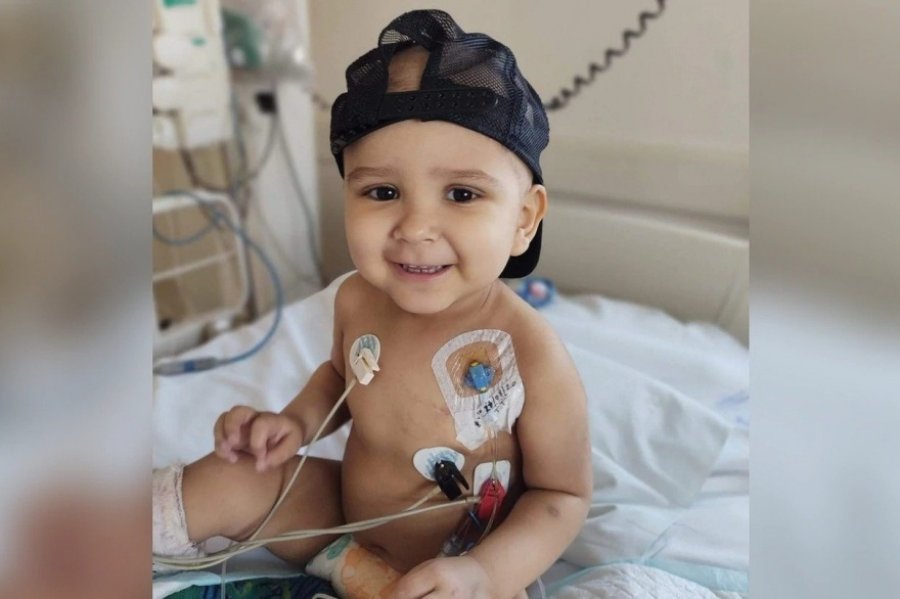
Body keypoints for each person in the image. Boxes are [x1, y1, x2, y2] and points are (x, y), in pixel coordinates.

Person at [153, 9, 591, 599]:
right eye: (382, 191)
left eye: (462, 194)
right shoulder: (358, 297)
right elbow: (342, 376)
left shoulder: (530, 351)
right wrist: (293, 423)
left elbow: (562, 495)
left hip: (454, 567)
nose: (415, 227)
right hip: (339, 529)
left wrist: (484, 575)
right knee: (235, 475)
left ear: (524, 219)